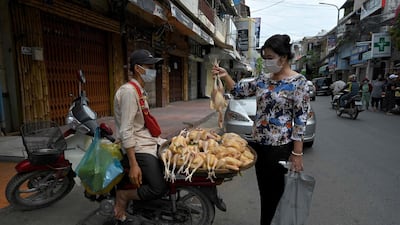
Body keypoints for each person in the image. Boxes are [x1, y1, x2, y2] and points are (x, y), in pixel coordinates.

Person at [212, 34, 310, 225]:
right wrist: (226, 76)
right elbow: (239, 91)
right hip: (258, 145)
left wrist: (297, 154)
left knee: (275, 194)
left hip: (279, 147)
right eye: (264, 58)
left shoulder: (299, 83)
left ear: (284, 57)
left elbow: (300, 120)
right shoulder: (263, 80)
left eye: (270, 58)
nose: (266, 62)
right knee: (265, 191)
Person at [113, 49, 167, 223]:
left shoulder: (139, 90)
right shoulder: (129, 92)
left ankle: (142, 205)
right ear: (138, 68)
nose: (153, 70)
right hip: (137, 147)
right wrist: (134, 164)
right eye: (149, 66)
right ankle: (123, 196)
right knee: (158, 188)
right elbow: (126, 130)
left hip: (147, 140)